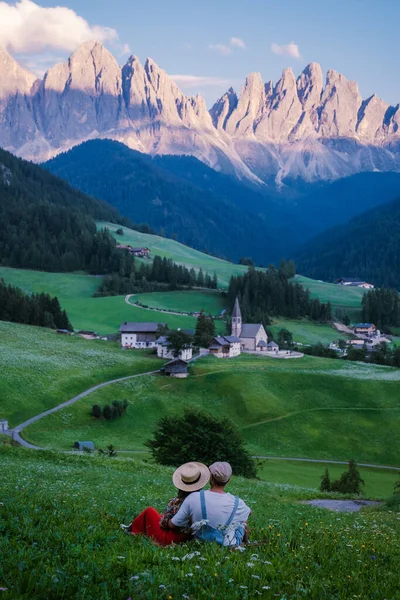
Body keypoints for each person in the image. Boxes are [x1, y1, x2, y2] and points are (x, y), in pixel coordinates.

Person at [122, 461, 210, 546]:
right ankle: (133, 527)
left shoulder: (176, 502)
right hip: (190, 538)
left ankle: (133, 529)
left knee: (150, 511)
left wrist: (165, 519)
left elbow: (165, 525)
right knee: (158, 516)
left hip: (171, 539)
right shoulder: (203, 501)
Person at [168, 461, 251, 546]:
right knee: (242, 521)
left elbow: (173, 525)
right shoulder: (238, 502)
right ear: (228, 480)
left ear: (210, 477)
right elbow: (249, 513)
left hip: (200, 543)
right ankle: (246, 542)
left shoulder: (193, 497)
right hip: (226, 544)